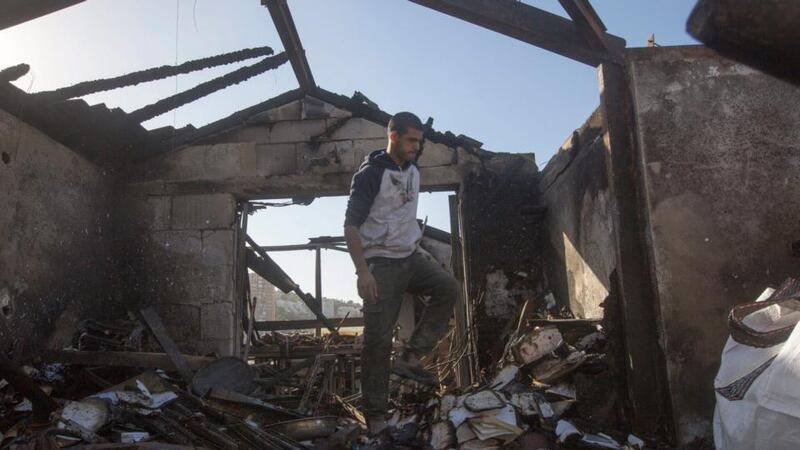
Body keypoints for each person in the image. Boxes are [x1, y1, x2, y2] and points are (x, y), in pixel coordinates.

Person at [343, 111, 461, 434]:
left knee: (448, 288)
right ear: (392, 136)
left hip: (411, 256)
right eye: (411, 141)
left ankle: (412, 357)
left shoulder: (414, 170)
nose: (415, 148)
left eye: (419, 142)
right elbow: (350, 226)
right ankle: (377, 416)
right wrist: (362, 271)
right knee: (378, 342)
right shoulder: (370, 175)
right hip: (380, 264)